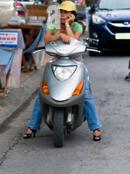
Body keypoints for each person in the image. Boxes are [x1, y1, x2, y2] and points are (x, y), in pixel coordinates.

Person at [23, 1, 103, 142]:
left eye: (67, 12)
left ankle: (95, 128)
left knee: (86, 95)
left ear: (72, 14)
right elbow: (47, 39)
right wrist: (59, 35)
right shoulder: (53, 25)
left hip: (76, 63)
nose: (63, 15)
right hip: (56, 62)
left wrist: (67, 25)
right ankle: (32, 127)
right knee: (42, 94)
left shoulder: (77, 25)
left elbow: (74, 40)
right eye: (61, 12)